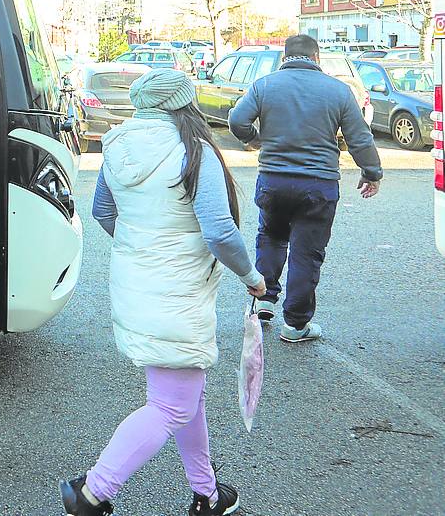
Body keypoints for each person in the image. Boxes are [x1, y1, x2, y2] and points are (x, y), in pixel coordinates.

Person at [60, 69, 266, 516]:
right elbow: (220, 231)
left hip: (138, 284)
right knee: (170, 406)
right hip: (178, 293)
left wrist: (143, 250)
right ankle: (93, 492)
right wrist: (252, 277)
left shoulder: (117, 145)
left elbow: (102, 211)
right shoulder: (196, 152)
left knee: (185, 395)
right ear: (184, 104)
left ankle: (206, 493)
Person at [228, 34, 382, 343]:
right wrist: (371, 172)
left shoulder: (264, 85)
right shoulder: (338, 91)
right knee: (306, 254)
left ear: (284, 58)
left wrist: (256, 139)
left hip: (273, 181)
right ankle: (296, 325)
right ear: (316, 58)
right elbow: (360, 137)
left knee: (270, 237)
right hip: (318, 185)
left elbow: (237, 120)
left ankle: (265, 300)